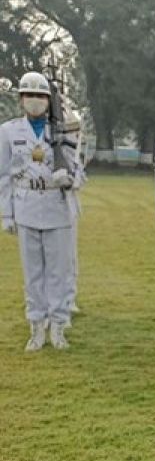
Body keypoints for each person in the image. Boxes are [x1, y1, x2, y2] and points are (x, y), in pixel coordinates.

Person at [1, 72, 86, 351]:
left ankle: (58, 326)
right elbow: (3, 176)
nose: (35, 101)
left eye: (40, 96)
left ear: (49, 101)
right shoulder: (9, 131)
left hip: (56, 204)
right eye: (29, 95)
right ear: (21, 99)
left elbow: (79, 169)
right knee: (33, 272)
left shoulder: (62, 130)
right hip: (26, 204)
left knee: (58, 272)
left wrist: (71, 179)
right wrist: (6, 213)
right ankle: (36, 326)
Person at [61, 109, 85, 319]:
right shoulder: (58, 150)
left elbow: (80, 179)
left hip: (69, 207)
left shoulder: (75, 152)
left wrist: (76, 177)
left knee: (70, 257)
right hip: (54, 206)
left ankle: (69, 298)